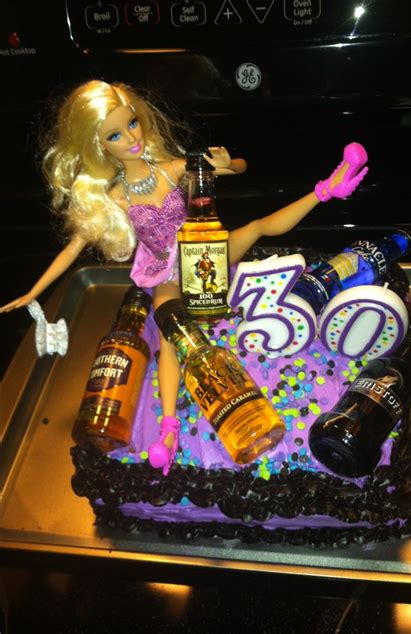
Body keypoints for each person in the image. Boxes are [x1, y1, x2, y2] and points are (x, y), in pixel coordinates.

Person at [0, 79, 369, 474]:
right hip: (166, 273)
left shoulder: (171, 168)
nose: (131, 138)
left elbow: (237, 168)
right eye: (115, 135)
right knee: (171, 338)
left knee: (256, 228)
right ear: (99, 146)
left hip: (202, 252)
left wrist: (228, 161)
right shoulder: (115, 198)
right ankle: (168, 430)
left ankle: (328, 188)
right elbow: (73, 248)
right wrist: (34, 292)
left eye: (132, 124)